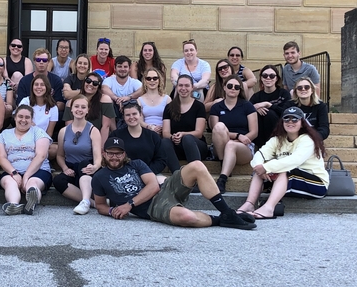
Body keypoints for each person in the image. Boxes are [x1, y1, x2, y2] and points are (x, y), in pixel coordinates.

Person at [92, 137, 255, 230]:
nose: (114, 157)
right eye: (110, 153)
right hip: (152, 208)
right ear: (104, 154)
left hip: (164, 189)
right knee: (187, 217)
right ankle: (221, 220)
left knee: (197, 166)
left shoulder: (136, 164)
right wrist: (113, 210)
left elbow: (153, 186)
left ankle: (228, 213)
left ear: (124, 154)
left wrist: (129, 204)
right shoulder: (99, 177)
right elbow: (100, 205)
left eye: (118, 153)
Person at [236, 106, 328, 219]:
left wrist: (266, 167)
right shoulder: (277, 139)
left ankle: (269, 208)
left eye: (295, 119)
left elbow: (294, 161)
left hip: (316, 183)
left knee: (284, 171)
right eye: (286, 119)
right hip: (291, 179)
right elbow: (259, 154)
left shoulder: (307, 140)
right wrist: (260, 167)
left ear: (302, 123)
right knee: (259, 171)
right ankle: (249, 204)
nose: (290, 122)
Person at [0, 105, 53, 215]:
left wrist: (26, 176)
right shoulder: (4, 134)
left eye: (27, 117)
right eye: (20, 116)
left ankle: (32, 201)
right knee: (9, 182)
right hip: (12, 170)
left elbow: (41, 156)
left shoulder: (39, 132)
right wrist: (14, 173)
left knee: (32, 183)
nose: (23, 120)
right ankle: (13, 205)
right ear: (15, 118)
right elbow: (1, 158)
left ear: (32, 120)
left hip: (38, 171)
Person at [53, 95, 103, 215]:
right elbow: (60, 155)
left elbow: (98, 155)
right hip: (71, 168)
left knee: (84, 165)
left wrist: (95, 166)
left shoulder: (93, 130)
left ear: (87, 110)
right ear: (71, 109)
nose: (79, 109)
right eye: (76, 106)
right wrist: (65, 168)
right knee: (58, 181)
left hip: (87, 168)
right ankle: (91, 203)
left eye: (83, 107)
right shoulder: (63, 131)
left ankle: (85, 202)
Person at [209, 75, 258, 194]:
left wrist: (240, 140)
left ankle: (222, 179)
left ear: (239, 90)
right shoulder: (216, 107)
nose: (233, 89)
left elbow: (254, 132)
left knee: (231, 145)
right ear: (224, 88)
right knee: (220, 126)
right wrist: (236, 135)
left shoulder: (247, 106)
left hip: (243, 147)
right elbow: (215, 129)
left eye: (236, 87)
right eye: (230, 86)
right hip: (221, 145)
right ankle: (224, 163)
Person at [111, 102, 180, 175]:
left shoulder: (152, 136)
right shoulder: (116, 136)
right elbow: (112, 158)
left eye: (134, 114)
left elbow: (161, 159)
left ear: (140, 115)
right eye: (128, 115)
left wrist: (146, 172)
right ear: (124, 118)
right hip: (123, 175)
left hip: (150, 174)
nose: (131, 117)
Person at [162, 74, 208, 164]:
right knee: (165, 142)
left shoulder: (199, 106)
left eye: (187, 85)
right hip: (177, 146)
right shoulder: (169, 107)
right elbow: (165, 133)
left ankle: (196, 171)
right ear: (177, 87)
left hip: (196, 146)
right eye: (180, 85)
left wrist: (183, 134)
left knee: (187, 138)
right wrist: (173, 137)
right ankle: (177, 174)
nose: (183, 88)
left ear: (192, 87)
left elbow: (199, 133)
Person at [62, 71, 116, 144]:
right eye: (88, 81)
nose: (90, 84)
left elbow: (106, 126)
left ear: (98, 86)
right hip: (77, 140)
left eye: (95, 83)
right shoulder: (72, 102)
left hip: (98, 139)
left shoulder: (105, 100)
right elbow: (69, 128)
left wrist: (101, 148)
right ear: (84, 82)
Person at [250, 65, 292, 149]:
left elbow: (287, 112)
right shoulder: (256, 97)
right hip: (261, 135)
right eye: (265, 76)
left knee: (269, 114)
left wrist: (269, 105)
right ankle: (261, 147)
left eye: (272, 76)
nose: (268, 78)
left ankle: (273, 146)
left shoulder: (283, 93)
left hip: (279, 131)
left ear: (276, 78)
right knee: (258, 115)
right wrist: (255, 108)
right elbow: (247, 110)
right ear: (261, 78)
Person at [101, 55, 143, 128]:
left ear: (130, 68)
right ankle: (115, 132)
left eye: (125, 67)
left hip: (129, 111)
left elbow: (143, 90)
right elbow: (104, 89)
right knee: (107, 100)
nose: (122, 69)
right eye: (120, 66)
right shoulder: (109, 80)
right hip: (114, 111)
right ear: (115, 68)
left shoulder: (133, 82)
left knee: (137, 101)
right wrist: (117, 99)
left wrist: (128, 97)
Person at [18, 74, 58, 138]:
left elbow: (49, 133)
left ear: (47, 87)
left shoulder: (53, 107)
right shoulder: (25, 101)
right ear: (32, 87)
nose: (39, 87)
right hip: (23, 137)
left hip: (42, 139)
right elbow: (19, 123)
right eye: (36, 84)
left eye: (42, 85)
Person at [137, 67, 171, 134]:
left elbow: (172, 119)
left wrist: (162, 128)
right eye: (148, 78)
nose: (152, 81)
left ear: (159, 80)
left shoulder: (167, 99)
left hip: (164, 132)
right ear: (145, 81)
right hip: (146, 132)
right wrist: (150, 127)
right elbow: (139, 121)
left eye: (155, 78)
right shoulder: (139, 100)